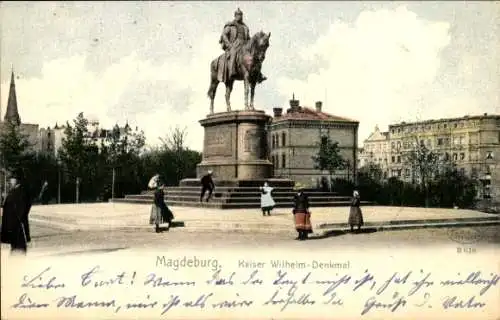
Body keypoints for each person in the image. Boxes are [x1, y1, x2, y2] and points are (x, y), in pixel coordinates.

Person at [219, 8, 267, 83]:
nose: (240, 16)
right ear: (235, 16)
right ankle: (232, 71)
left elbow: (248, 38)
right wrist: (229, 45)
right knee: (234, 53)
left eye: (241, 15)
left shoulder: (245, 27)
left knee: (254, 55)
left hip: (244, 45)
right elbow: (224, 35)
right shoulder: (230, 25)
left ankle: (258, 74)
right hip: (234, 44)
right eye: (238, 15)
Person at [1, 171, 32, 254]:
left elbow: (23, 212)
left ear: (17, 180)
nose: (10, 181)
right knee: (15, 250)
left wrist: (19, 220)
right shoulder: (14, 192)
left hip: (17, 229)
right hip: (13, 230)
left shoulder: (20, 193)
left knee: (19, 251)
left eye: (12, 179)